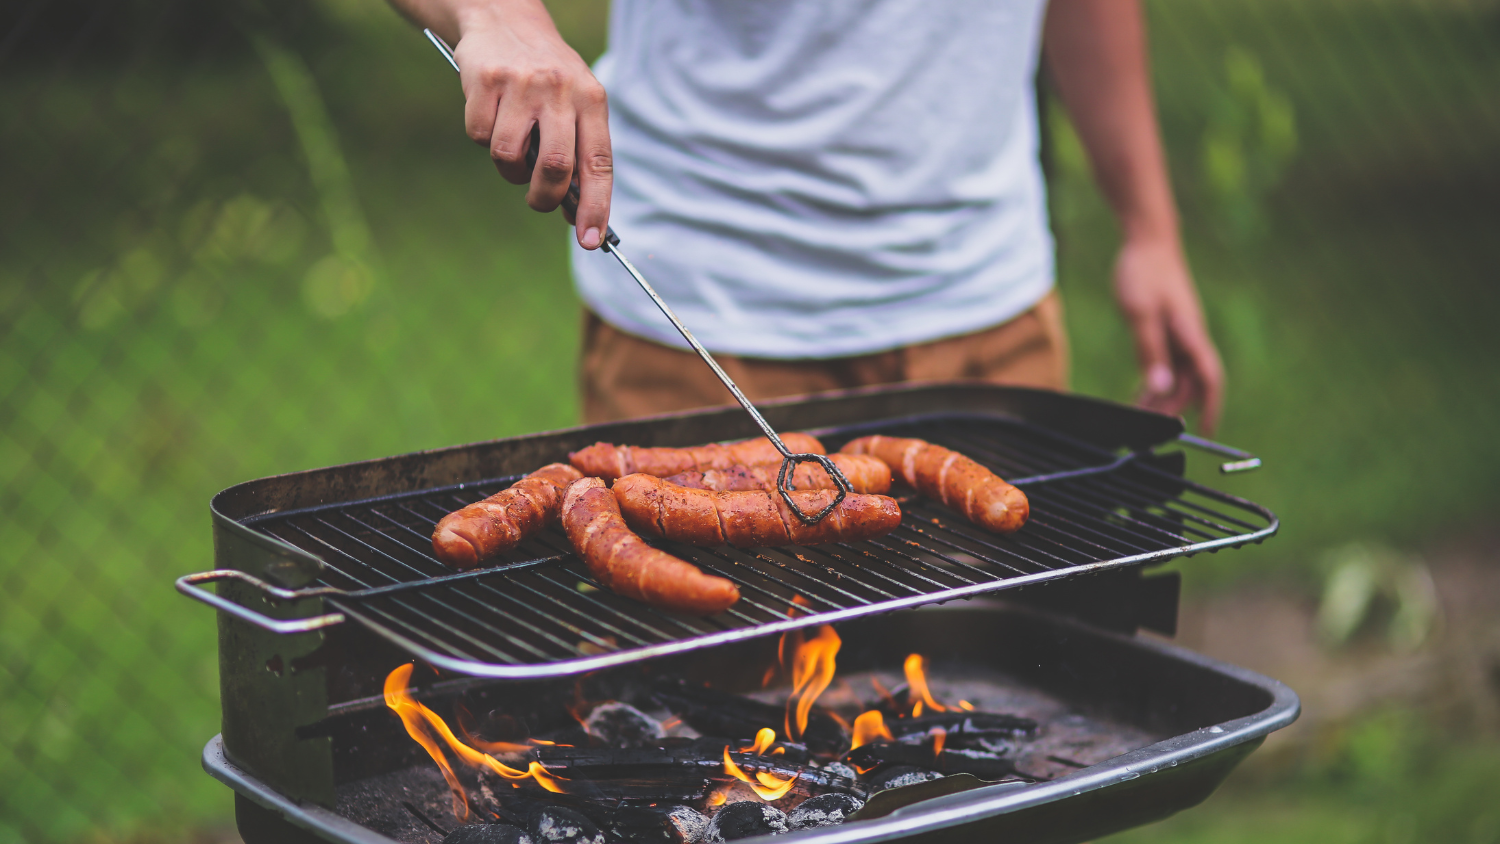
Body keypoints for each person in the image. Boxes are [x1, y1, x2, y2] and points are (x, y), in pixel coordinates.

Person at [388, 0, 1223, 431]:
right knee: (701, 740)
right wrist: (502, 18)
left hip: (989, 317)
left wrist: (1150, 228)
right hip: (700, 330)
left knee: (998, 726)